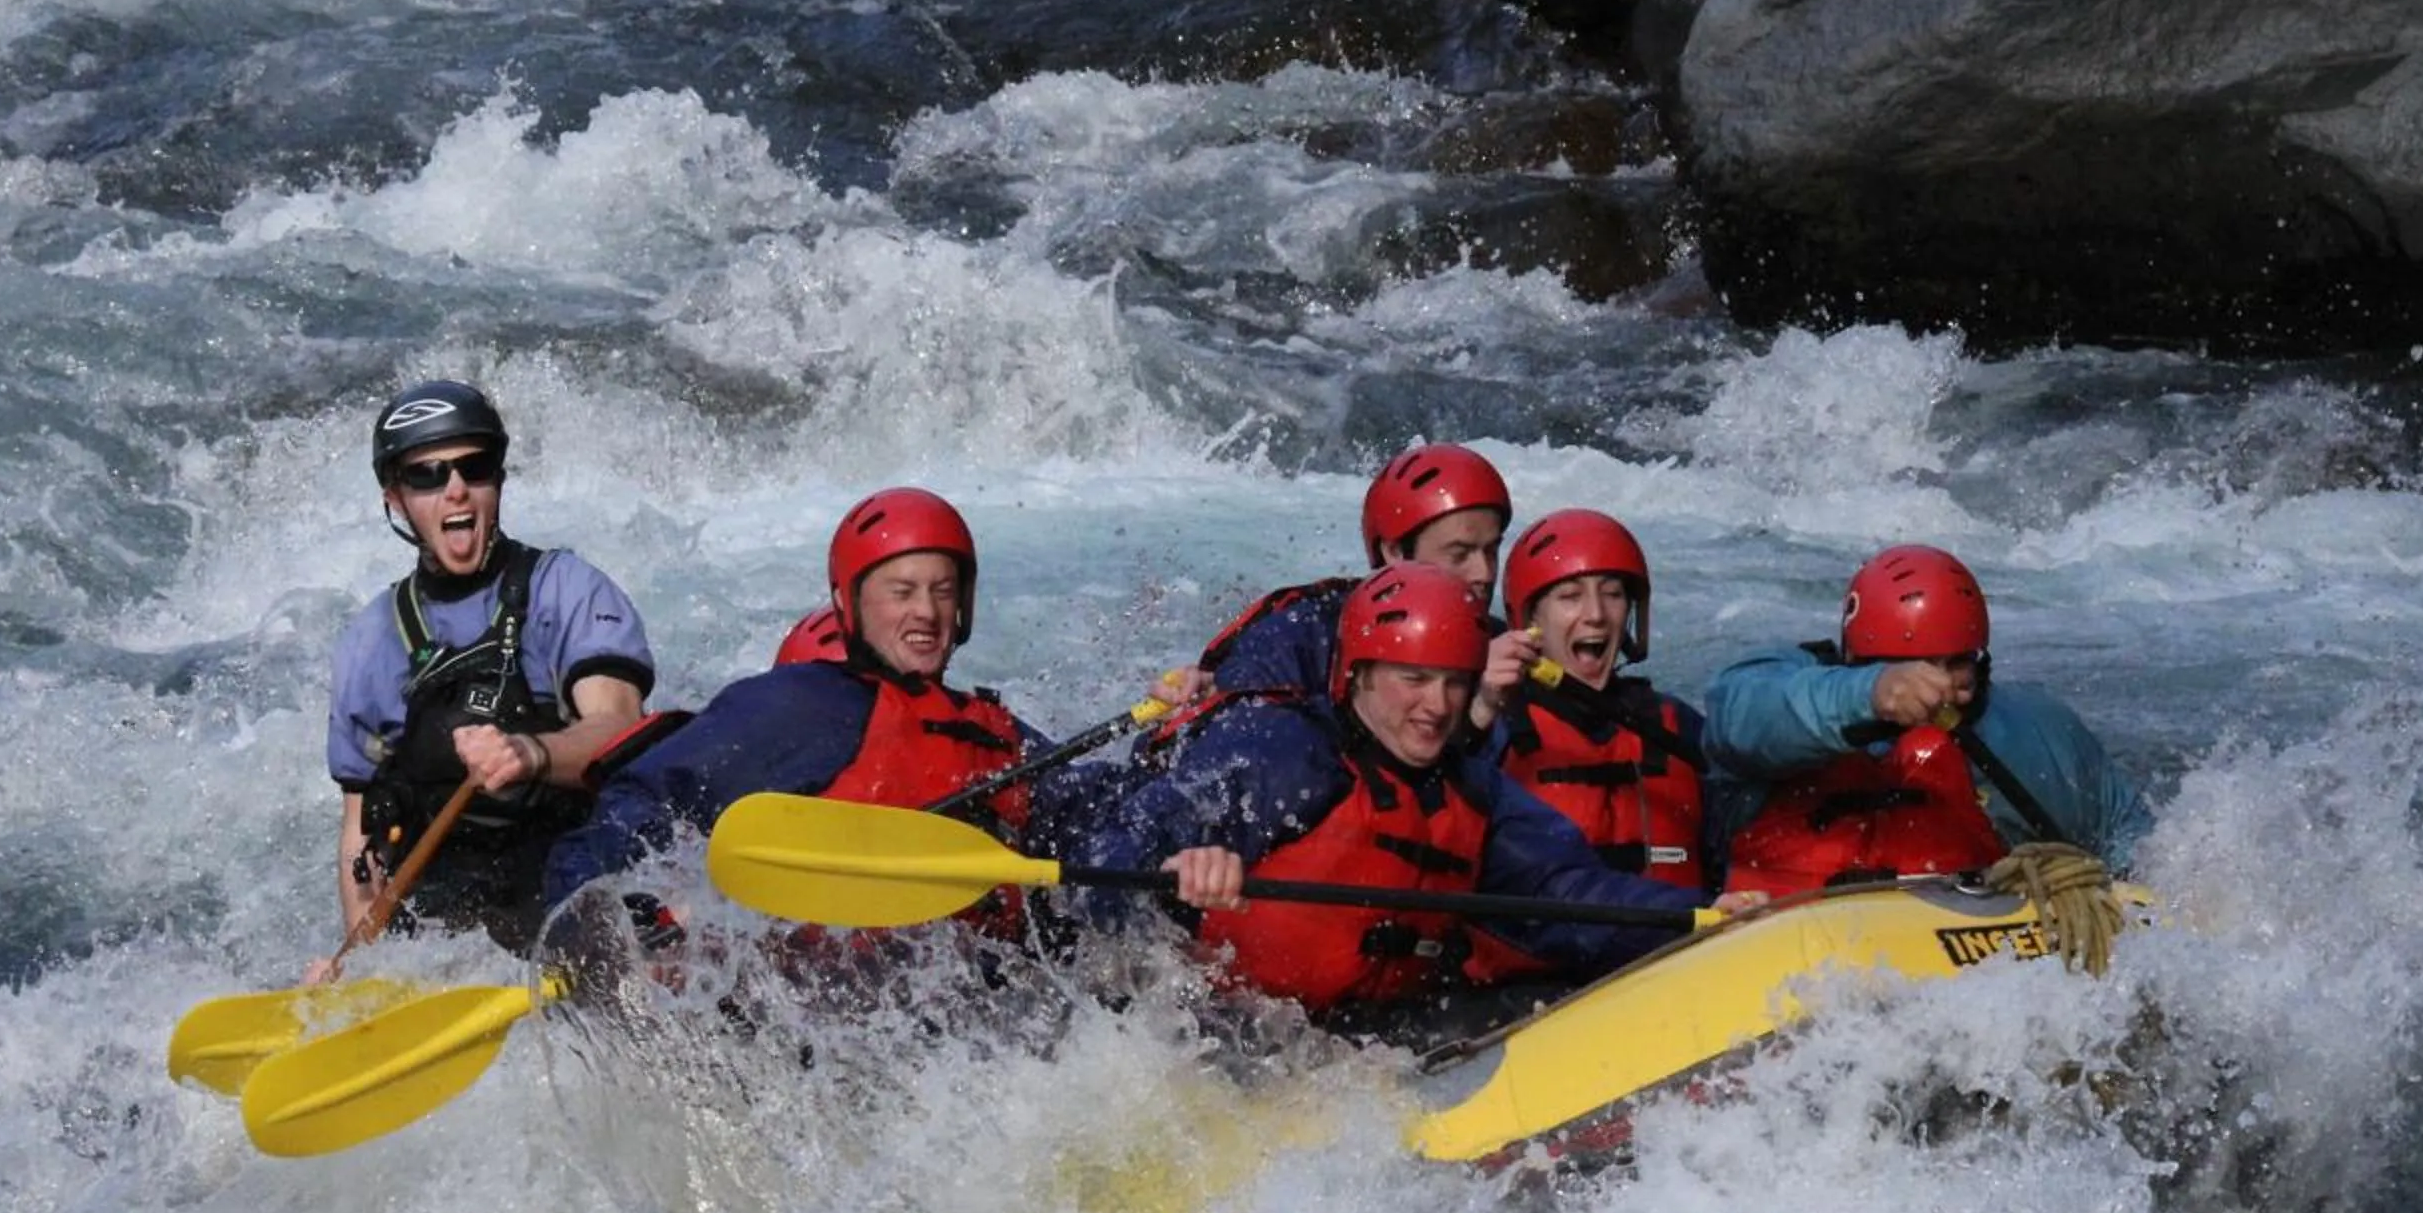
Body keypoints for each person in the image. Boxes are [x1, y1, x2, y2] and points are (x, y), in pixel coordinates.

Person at [1076, 563, 1729, 1025]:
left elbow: (1570, 897)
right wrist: (1168, 877)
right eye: (1414, 679)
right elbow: (1107, 862)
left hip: (1369, 1040)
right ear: (1357, 675)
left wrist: (1706, 921)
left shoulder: (1471, 792)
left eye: (1453, 683)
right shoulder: (1277, 753)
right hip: (1217, 1029)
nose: (1436, 706)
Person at [541, 487, 1062, 912]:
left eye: (943, 591)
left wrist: (1149, 756)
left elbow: (1094, 816)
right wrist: (615, 915)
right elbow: (641, 802)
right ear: (848, 602)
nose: (926, 610)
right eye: (902, 592)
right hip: (816, 1001)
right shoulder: (805, 705)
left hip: (978, 1008)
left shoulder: (993, 729)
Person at [320, 379, 654, 959]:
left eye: (474, 468)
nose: (455, 491)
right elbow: (360, 837)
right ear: (394, 498)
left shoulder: (568, 591)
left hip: (573, 900)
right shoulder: (370, 642)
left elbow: (619, 728)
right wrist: (362, 969)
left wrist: (531, 754)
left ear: (497, 480)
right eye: (427, 475)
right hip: (445, 936)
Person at [1703, 544, 2150, 904]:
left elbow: (2128, 841)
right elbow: (1739, 722)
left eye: (1958, 663)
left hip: (1951, 946)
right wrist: (1871, 694)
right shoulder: (1775, 686)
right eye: (1917, 665)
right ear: (1859, 659)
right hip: (1778, 928)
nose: (1942, 684)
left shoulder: (2027, 730)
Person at [1160, 443, 1534, 743]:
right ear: (1392, 553)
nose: (1484, 573)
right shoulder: (1304, 629)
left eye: (1491, 550)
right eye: (1459, 554)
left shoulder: (1504, 648)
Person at [1489, 509, 1713, 895]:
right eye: (1570, 596)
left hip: (1683, 949)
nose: (1596, 615)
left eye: (1612, 594)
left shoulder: (1678, 728)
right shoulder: (1490, 732)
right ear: (1530, 621)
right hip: (1539, 952)